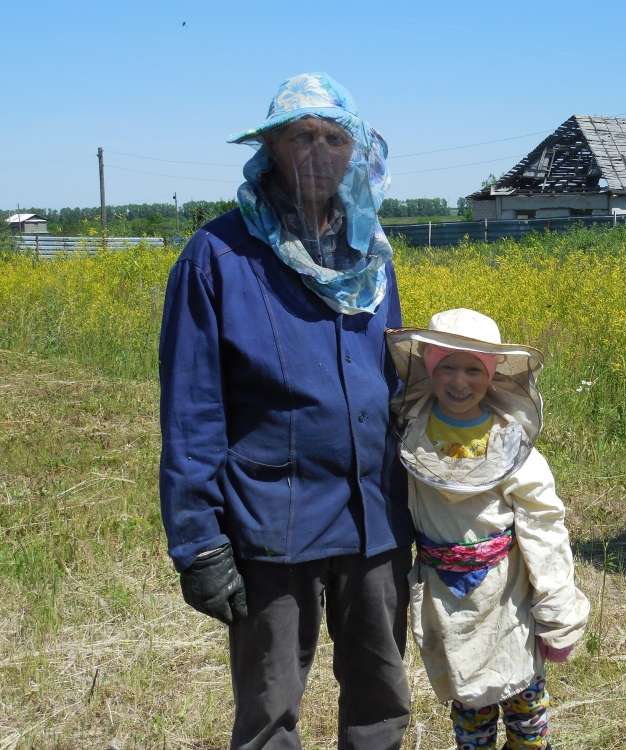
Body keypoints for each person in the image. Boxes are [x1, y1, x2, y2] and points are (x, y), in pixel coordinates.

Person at [158, 72, 412, 750]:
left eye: (334, 138)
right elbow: (191, 410)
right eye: (301, 136)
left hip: (374, 519)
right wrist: (199, 542)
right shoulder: (217, 256)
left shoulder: (370, 254)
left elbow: (395, 381)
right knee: (270, 710)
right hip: (273, 519)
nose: (318, 152)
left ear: (354, 153)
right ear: (270, 148)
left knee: (383, 699)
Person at [386, 308, 590, 750]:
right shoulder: (410, 435)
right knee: (470, 704)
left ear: (493, 374)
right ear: (430, 370)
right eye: (448, 367)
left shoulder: (511, 444)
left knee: (525, 703)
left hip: (506, 595)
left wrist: (557, 613)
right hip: (446, 596)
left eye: (473, 369)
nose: (460, 381)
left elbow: (544, 529)